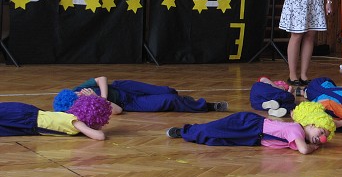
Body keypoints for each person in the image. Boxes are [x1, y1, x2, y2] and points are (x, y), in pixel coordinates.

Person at [166, 101, 336, 155]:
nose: (321, 138)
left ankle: (194, 134)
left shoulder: (299, 134)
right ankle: (184, 131)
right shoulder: (296, 130)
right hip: (249, 124)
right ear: (311, 124)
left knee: (217, 139)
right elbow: (304, 151)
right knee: (214, 129)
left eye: (324, 138)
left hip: (253, 137)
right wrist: (313, 147)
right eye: (321, 132)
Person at [53, 76, 228, 115]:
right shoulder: (86, 108)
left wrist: (103, 95)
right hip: (131, 103)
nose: (79, 93)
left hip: (123, 86)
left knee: (169, 91)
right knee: (170, 100)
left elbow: (101, 79)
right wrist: (97, 100)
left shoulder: (79, 87)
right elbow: (118, 110)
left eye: (76, 93)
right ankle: (208, 106)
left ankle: (186, 102)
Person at [0, 96, 112, 141]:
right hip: (25, 118)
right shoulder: (77, 122)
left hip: (29, 117)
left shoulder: (72, 117)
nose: (102, 125)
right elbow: (100, 136)